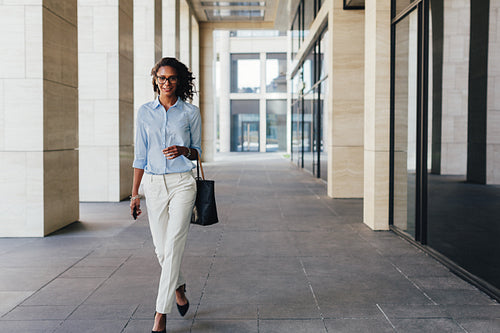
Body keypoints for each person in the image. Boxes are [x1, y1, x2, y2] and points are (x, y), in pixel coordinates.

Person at [130, 57, 201, 333]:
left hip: (183, 183)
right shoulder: (144, 112)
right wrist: (135, 193)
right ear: (155, 80)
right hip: (154, 185)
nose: (166, 83)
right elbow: (139, 155)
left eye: (171, 78)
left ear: (179, 81)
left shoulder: (190, 113)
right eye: (161, 78)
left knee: (172, 246)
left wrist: (183, 150)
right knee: (162, 250)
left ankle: (160, 314)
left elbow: (197, 152)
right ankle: (179, 287)